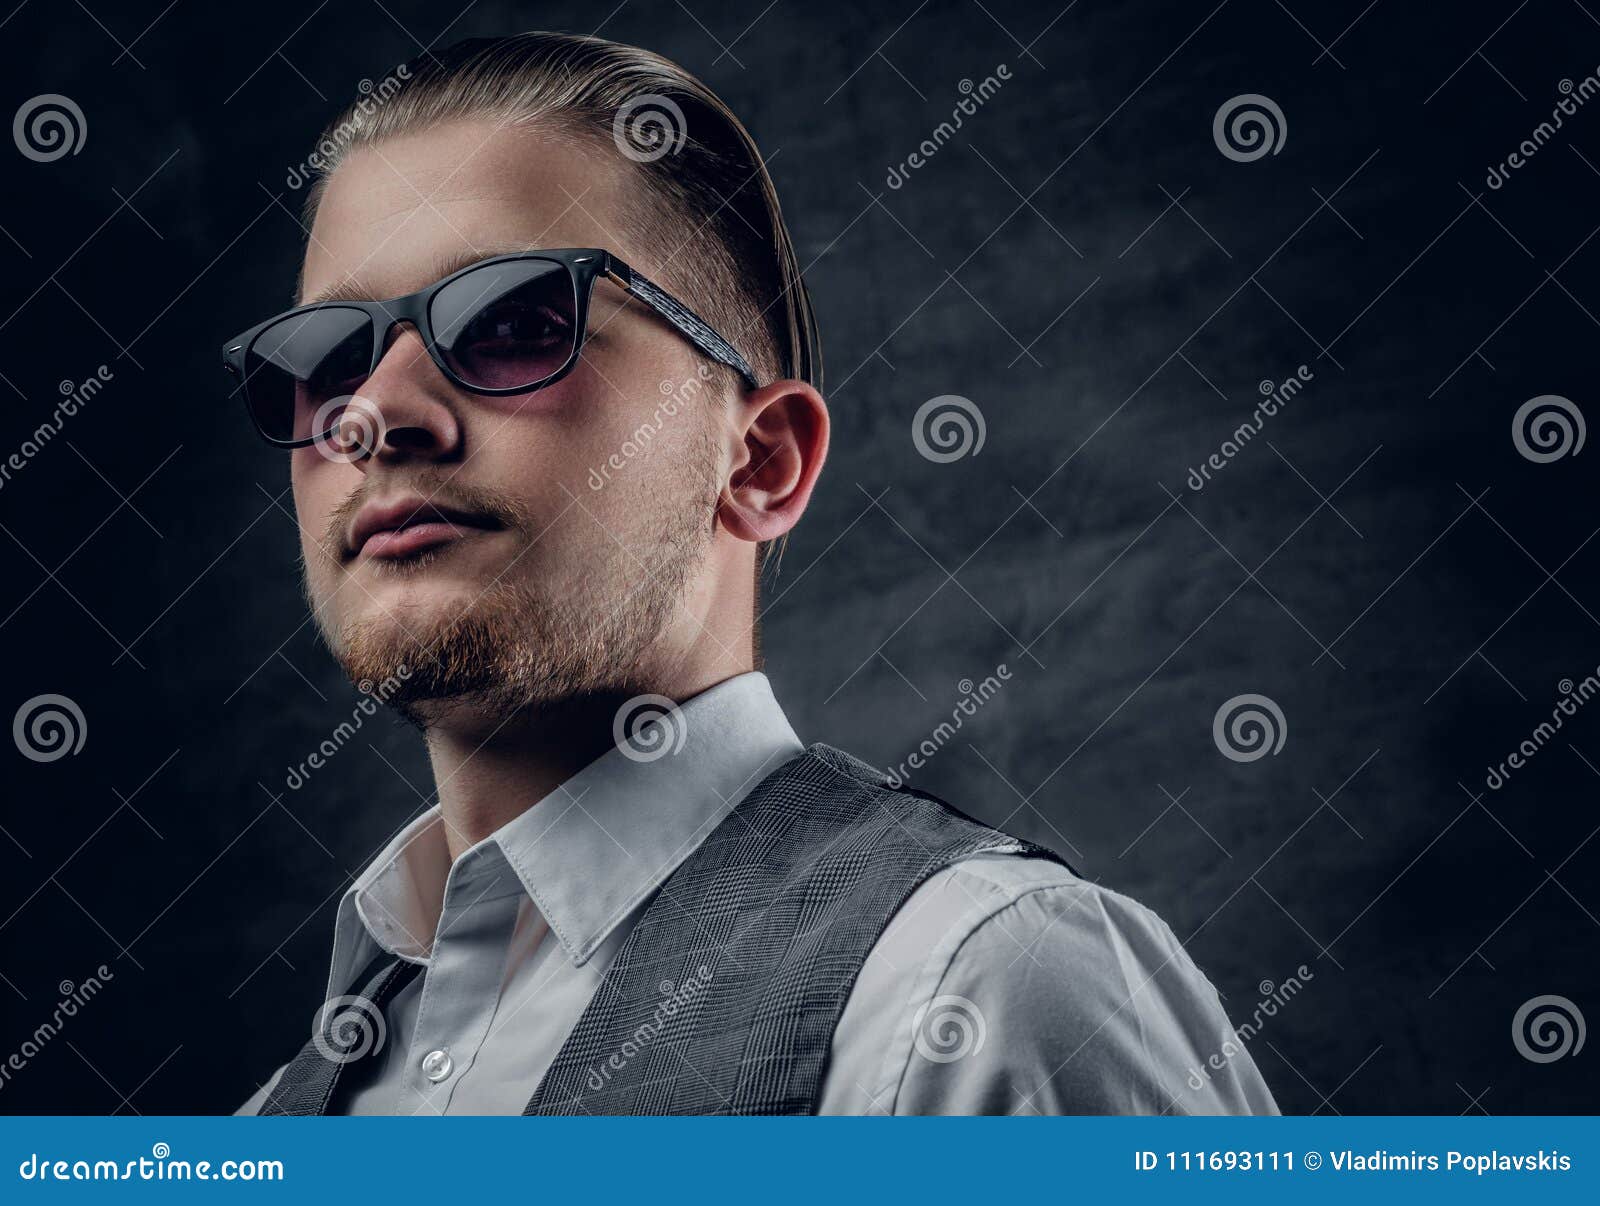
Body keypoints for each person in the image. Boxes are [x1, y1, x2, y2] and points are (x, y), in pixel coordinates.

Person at [227, 31, 1276, 1116]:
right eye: (328, 360)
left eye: (514, 322)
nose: (373, 413)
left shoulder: (988, 992)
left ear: (760, 462)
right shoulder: (280, 1118)